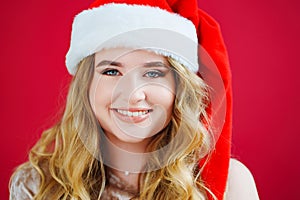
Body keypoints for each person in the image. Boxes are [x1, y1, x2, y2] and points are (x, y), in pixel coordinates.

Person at [9, 0, 259, 199]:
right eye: (111, 71)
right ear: (87, 85)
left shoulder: (228, 185)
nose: (132, 94)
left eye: (153, 73)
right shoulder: (37, 186)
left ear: (179, 87)